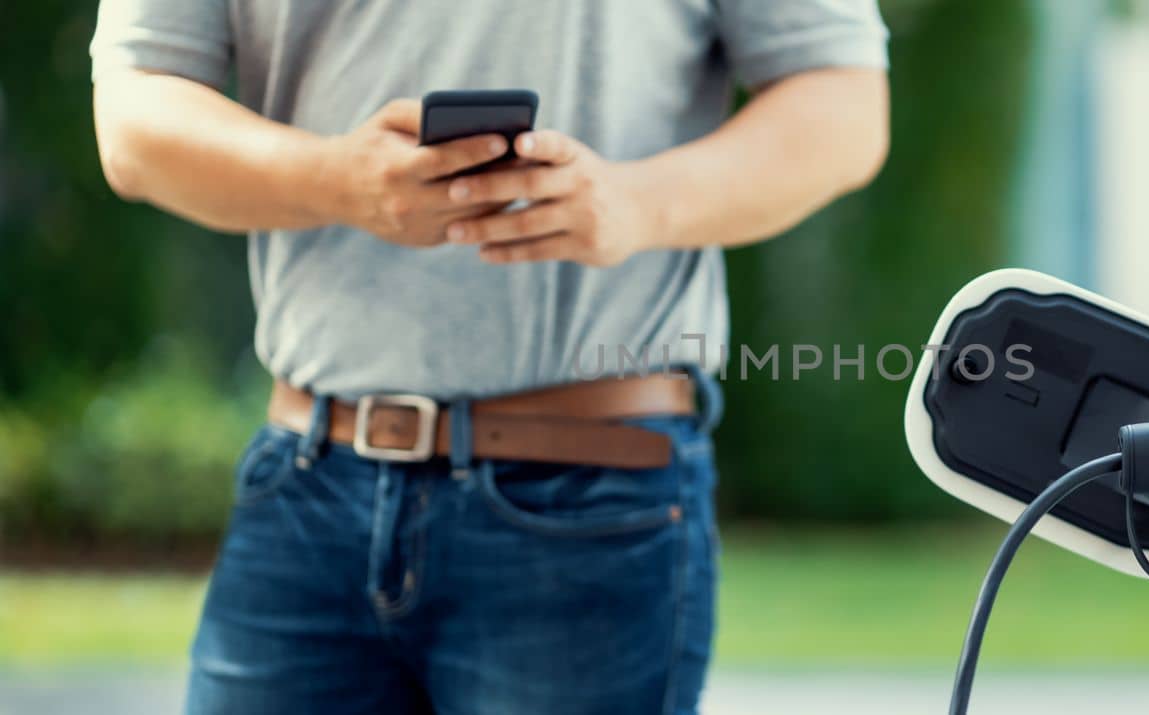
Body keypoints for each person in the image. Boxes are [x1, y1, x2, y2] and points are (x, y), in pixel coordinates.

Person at [89, 0, 889, 712]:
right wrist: (336, 180)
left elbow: (846, 105)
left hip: (592, 501)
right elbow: (133, 117)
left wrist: (638, 204)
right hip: (304, 485)